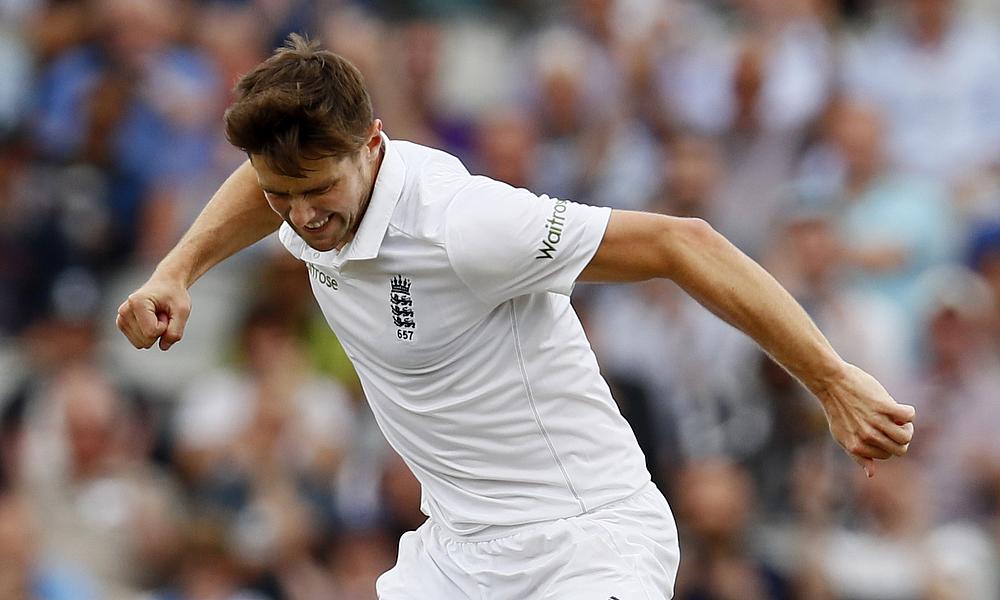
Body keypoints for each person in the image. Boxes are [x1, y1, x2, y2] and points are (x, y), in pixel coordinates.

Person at [117, 35, 915, 599]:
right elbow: (257, 189)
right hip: (455, 555)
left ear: (373, 144)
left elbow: (683, 242)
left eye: (316, 189)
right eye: (279, 194)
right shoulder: (296, 191)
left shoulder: (466, 223)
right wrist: (177, 270)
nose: (300, 216)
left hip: (584, 542)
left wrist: (831, 379)